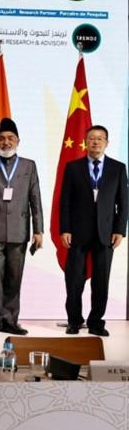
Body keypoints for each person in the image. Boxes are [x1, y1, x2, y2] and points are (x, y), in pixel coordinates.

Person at [0, 118, 43, 335]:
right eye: (2, 138)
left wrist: (38, 230)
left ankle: (10, 320)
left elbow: (35, 199)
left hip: (19, 231)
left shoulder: (29, 166)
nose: (6, 142)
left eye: (10, 138)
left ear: (18, 141)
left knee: (14, 277)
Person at [60, 125, 127, 337]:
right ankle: (74, 321)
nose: (95, 142)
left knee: (101, 280)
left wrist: (120, 230)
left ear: (106, 143)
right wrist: (65, 228)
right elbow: (65, 201)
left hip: (106, 233)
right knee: (74, 280)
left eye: (100, 138)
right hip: (77, 232)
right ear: (85, 142)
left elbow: (123, 203)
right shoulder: (73, 167)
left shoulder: (118, 168)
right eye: (91, 138)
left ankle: (96, 322)